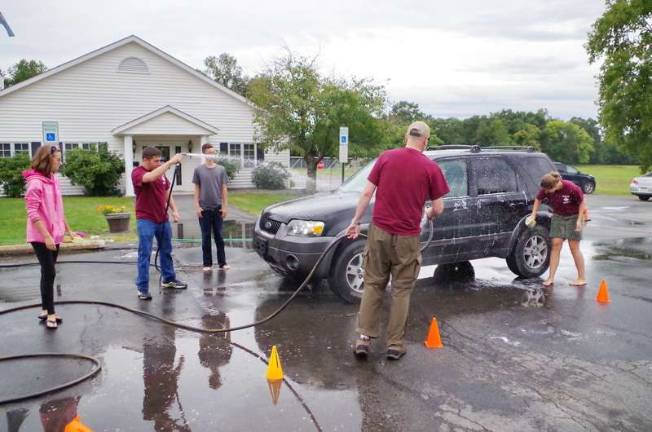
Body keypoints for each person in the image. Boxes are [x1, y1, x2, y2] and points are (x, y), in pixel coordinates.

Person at [346, 121, 449, 361]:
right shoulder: (430, 167)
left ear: (407, 136)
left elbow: (366, 193)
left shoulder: (385, 158)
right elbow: (438, 207)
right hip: (407, 238)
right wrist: (429, 214)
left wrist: (355, 221)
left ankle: (363, 340)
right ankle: (394, 345)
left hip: (379, 232)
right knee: (401, 290)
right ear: (426, 140)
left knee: (373, 284)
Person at [24, 144, 75, 329]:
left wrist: (68, 230)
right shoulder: (35, 183)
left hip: (55, 235)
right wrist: (46, 237)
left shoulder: (53, 179)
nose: (60, 163)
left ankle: (45, 309)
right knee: (50, 272)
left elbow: (58, 208)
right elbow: (32, 212)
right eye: (58, 159)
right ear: (46, 160)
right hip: (40, 236)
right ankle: (51, 314)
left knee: (48, 272)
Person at [131, 147, 187, 300]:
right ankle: (142, 288)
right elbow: (148, 178)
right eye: (155, 161)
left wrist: (174, 210)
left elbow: (166, 192)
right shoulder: (137, 172)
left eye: (159, 160)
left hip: (162, 218)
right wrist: (170, 162)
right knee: (145, 253)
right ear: (146, 160)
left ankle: (168, 279)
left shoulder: (160, 174)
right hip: (146, 219)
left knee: (166, 250)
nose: (158, 163)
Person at [530, 171, 587, 287]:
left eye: (547, 190)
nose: (545, 192)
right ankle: (551, 278)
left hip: (574, 216)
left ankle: (581, 278)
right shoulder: (546, 187)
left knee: (574, 247)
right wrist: (533, 214)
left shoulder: (571, 188)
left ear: (555, 185)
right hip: (558, 216)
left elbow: (582, 202)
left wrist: (579, 220)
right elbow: (538, 199)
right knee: (555, 244)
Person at [192, 143, 230, 272]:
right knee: (206, 236)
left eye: (213, 152)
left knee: (219, 236)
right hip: (204, 209)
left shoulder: (221, 169)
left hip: (218, 208)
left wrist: (225, 207)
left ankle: (222, 262)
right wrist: (197, 206)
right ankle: (207, 264)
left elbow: (224, 189)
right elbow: (196, 189)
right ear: (203, 153)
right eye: (209, 152)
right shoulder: (198, 170)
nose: (211, 154)